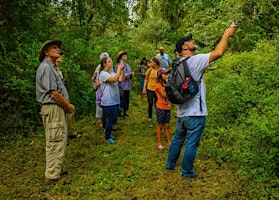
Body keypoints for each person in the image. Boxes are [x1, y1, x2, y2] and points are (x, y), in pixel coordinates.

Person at [166, 25, 236, 178]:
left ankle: (170, 164)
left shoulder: (178, 63)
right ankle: (187, 171)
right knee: (192, 143)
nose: (193, 42)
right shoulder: (196, 60)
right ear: (185, 47)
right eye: (190, 41)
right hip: (195, 114)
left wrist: (205, 68)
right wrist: (226, 34)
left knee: (178, 139)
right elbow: (219, 52)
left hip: (181, 112)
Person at [36, 40, 75, 184]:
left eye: (58, 48)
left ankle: (56, 169)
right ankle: (52, 176)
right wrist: (67, 106)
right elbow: (54, 94)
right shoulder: (46, 68)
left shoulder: (51, 67)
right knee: (55, 140)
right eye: (54, 48)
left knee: (59, 139)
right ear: (46, 52)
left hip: (56, 108)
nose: (58, 50)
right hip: (53, 108)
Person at [99, 56, 125, 144]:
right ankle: (107, 137)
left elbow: (121, 79)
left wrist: (122, 70)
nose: (111, 62)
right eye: (109, 61)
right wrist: (119, 69)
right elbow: (114, 80)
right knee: (110, 119)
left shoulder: (112, 72)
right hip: (108, 101)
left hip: (115, 99)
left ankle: (109, 133)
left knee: (113, 118)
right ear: (104, 64)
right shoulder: (103, 74)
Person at [56, 54, 81, 139]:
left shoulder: (58, 69)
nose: (60, 56)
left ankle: (71, 132)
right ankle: (63, 137)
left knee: (69, 114)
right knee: (61, 118)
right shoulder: (52, 69)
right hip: (59, 98)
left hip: (64, 96)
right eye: (59, 55)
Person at [91, 52, 110, 128]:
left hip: (106, 89)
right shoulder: (99, 67)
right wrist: (95, 83)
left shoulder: (109, 67)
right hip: (101, 89)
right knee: (99, 104)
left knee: (104, 104)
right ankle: (99, 120)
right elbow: (94, 78)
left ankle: (104, 120)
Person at [155, 68, 172, 149]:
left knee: (167, 125)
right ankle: (159, 143)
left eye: (167, 74)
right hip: (160, 107)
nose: (166, 75)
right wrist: (169, 87)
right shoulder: (158, 85)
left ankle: (169, 142)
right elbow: (164, 95)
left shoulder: (167, 84)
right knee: (160, 125)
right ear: (160, 75)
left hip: (167, 107)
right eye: (164, 74)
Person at [143, 57, 160, 127]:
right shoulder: (149, 70)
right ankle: (150, 119)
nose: (150, 63)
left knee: (157, 104)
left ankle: (158, 118)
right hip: (149, 89)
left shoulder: (159, 71)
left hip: (157, 90)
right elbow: (146, 79)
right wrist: (144, 88)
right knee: (150, 103)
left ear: (155, 63)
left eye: (151, 62)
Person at [114, 51, 133, 118]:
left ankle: (125, 112)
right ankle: (119, 112)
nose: (125, 56)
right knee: (121, 100)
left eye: (125, 55)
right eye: (123, 55)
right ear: (120, 57)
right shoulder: (118, 66)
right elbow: (116, 76)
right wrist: (125, 75)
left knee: (126, 100)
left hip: (127, 85)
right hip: (121, 86)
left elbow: (130, 73)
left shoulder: (127, 65)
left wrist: (131, 75)